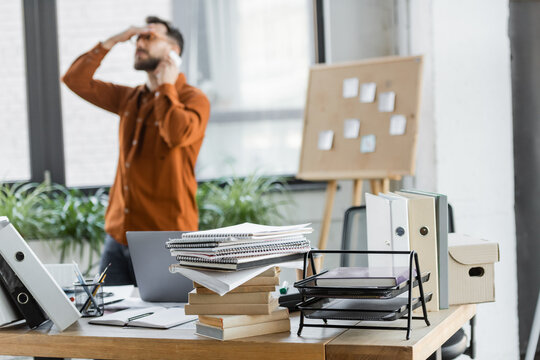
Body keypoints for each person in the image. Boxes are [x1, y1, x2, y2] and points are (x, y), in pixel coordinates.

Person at [62, 16, 210, 285]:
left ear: (173, 51)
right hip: (117, 237)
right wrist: (115, 39)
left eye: (149, 37)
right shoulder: (129, 99)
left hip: (165, 241)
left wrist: (166, 85)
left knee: (167, 320)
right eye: (137, 38)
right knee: (105, 323)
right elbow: (74, 79)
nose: (139, 42)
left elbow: (175, 133)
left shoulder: (193, 99)